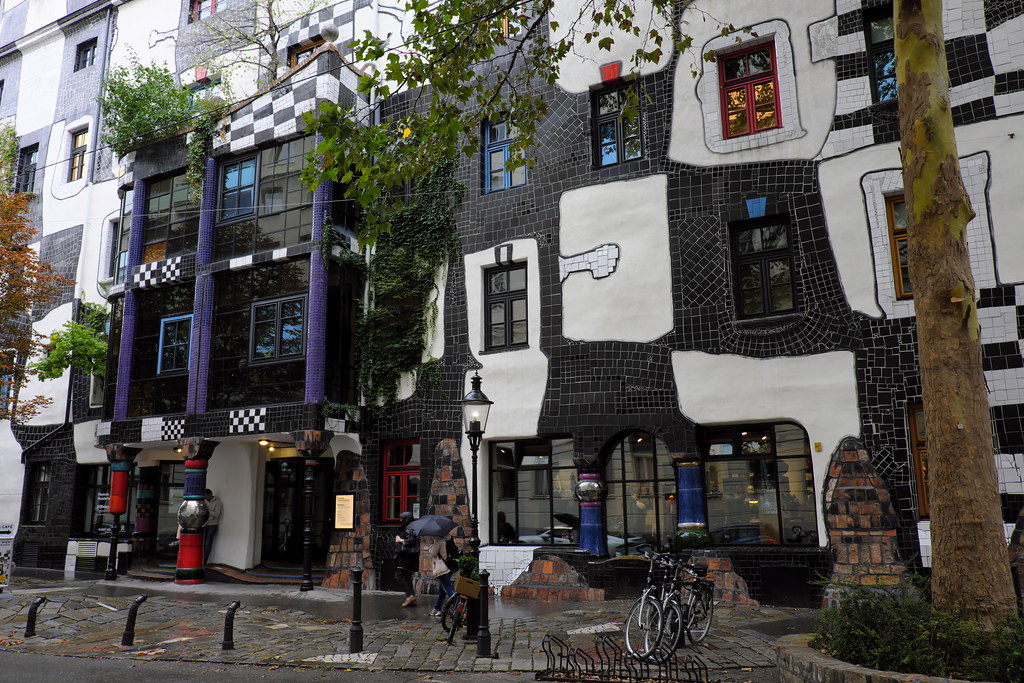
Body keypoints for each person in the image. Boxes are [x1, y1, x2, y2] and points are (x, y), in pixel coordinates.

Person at [423, 535, 454, 617]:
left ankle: (457, 606)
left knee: (448, 589)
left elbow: (433, 553)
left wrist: (430, 545)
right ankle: (437, 608)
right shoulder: (448, 538)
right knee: (442, 591)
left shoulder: (438, 540)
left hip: (442, 569)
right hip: (448, 567)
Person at [394, 511, 420, 607]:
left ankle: (410, 596)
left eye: (402, 519)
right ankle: (412, 597)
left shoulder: (409, 528)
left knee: (399, 575)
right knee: (407, 576)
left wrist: (401, 540)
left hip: (406, 557)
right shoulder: (411, 527)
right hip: (409, 557)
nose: (401, 520)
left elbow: (411, 540)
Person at [204, 489, 222, 565]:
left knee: (208, 542)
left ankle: (205, 561)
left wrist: (208, 511)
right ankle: (201, 559)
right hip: (205, 524)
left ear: (210, 495)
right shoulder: (204, 502)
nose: (205, 497)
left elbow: (217, 514)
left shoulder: (217, 502)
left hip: (212, 524)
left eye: (206, 496)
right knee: (203, 542)